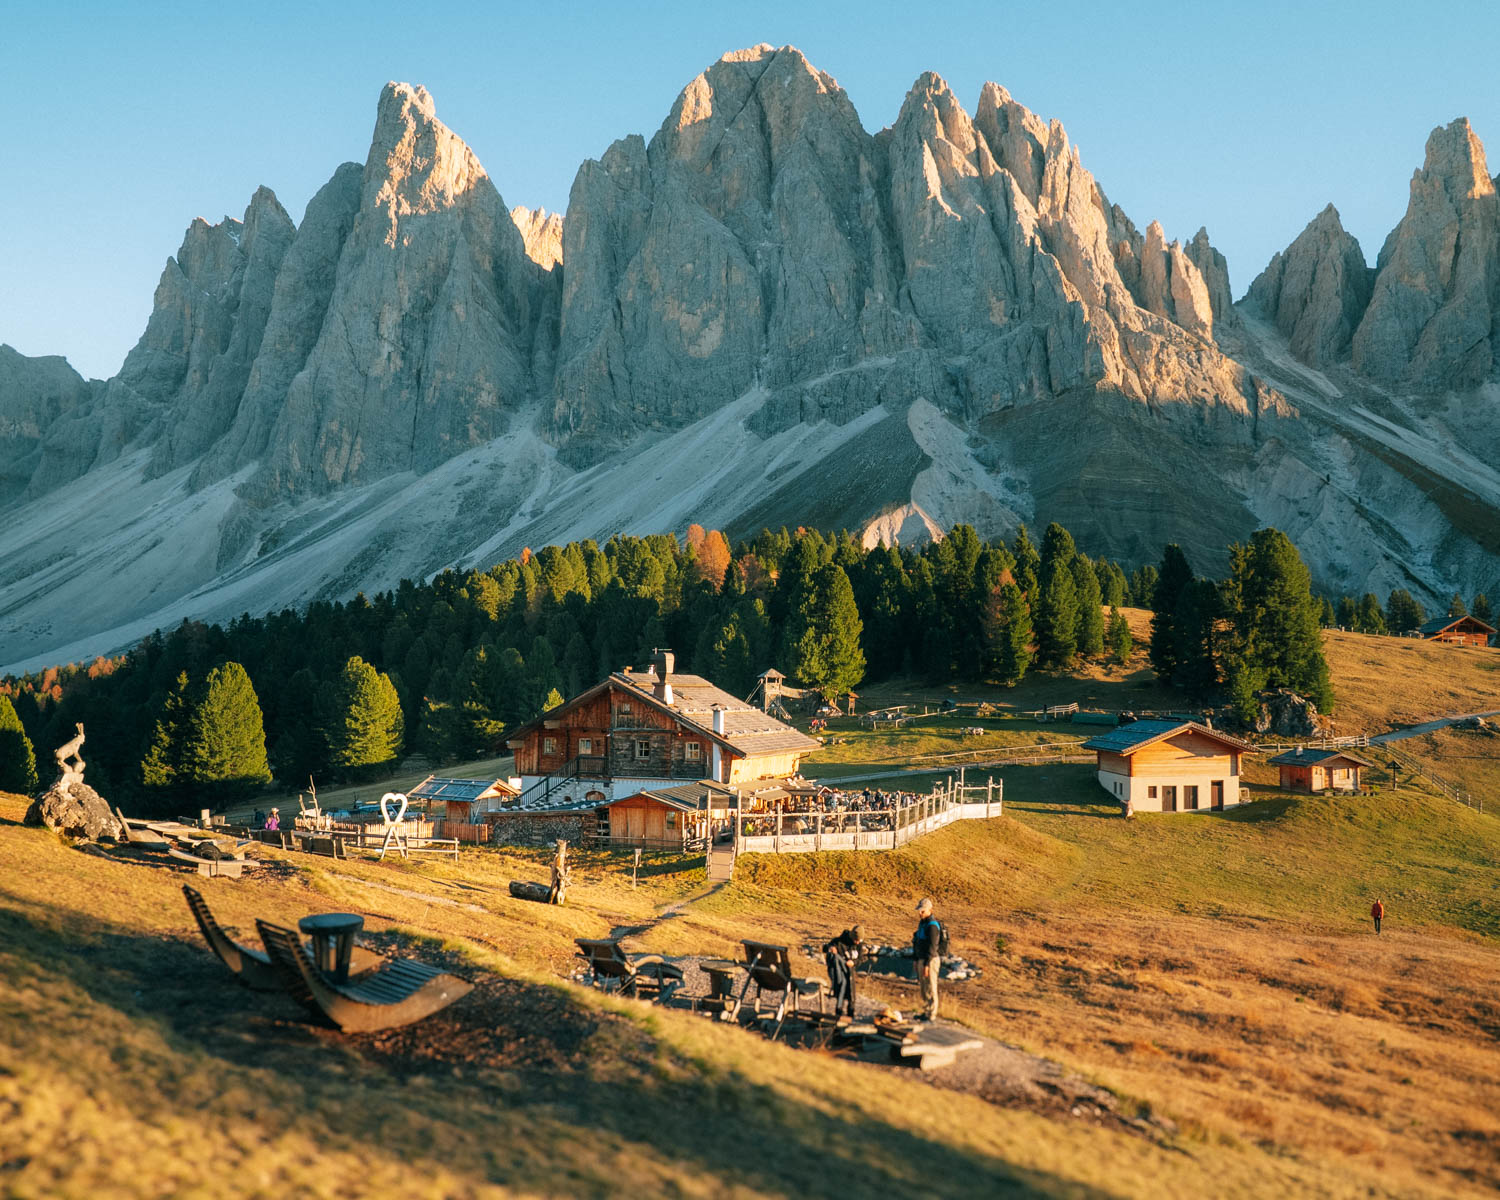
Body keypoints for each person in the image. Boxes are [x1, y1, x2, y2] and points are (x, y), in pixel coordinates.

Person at [823, 925, 863, 1018]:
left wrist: (854, 962)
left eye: (859, 941)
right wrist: (830, 949)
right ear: (852, 937)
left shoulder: (859, 945)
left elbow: (861, 959)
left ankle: (850, 1013)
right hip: (839, 971)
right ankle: (839, 1011)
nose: (857, 942)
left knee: (851, 993)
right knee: (842, 987)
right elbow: (825, 948)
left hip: (850, 972)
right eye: (856, 940)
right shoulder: (839, 942)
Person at [913, 897, 943, 1021]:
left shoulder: (933, 926)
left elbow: (932, 947)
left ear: (930, 910)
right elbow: (918, 942)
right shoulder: (922, 923)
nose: (920, 913)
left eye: (923, 911)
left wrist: (926, 964)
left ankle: (931, 1014)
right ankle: (926, 1011)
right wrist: (916, 960)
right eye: (919, 911)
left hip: (930, 961)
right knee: (923, 987)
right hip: (921, 959)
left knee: (931, 986)